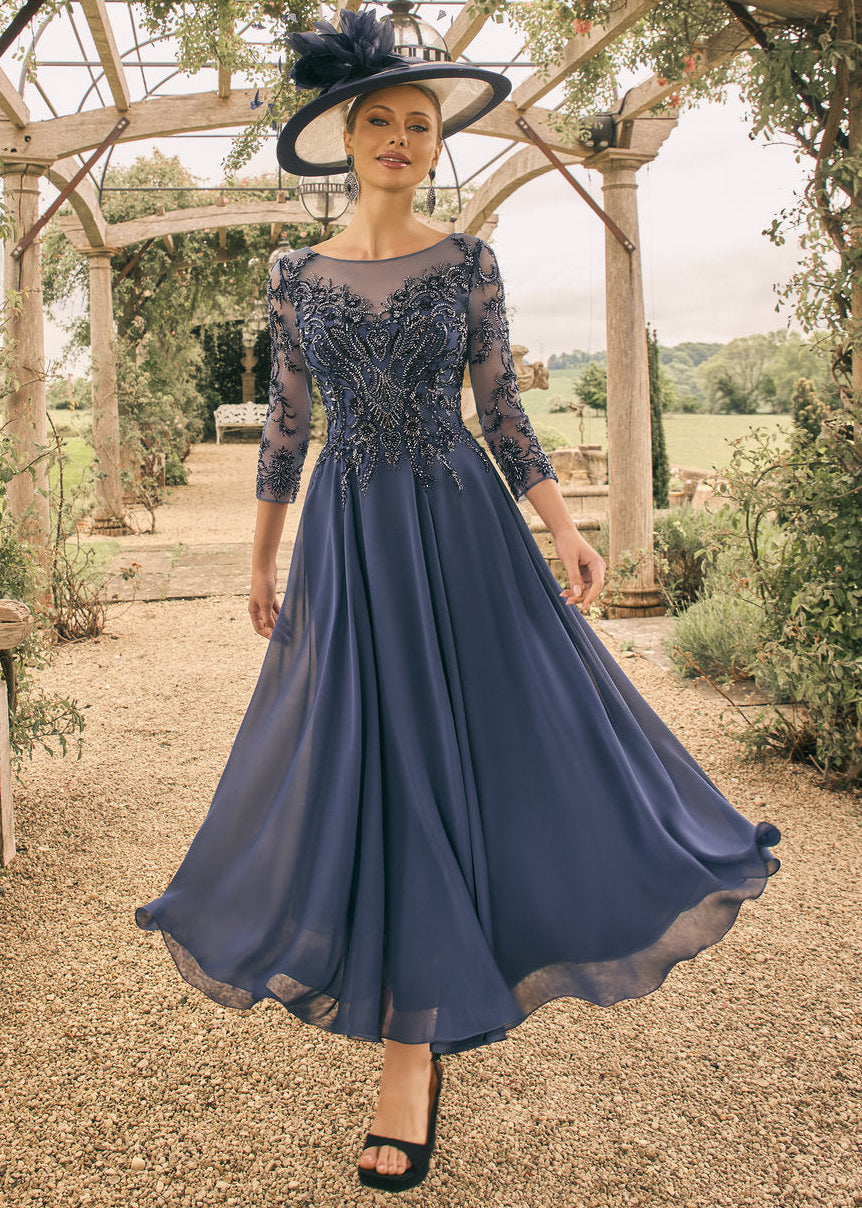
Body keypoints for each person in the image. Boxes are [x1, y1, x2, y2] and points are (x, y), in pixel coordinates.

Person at [135, 8, 781, 1195]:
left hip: (461, 527)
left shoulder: (466, 260)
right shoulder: (294, 276)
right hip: (349, 539)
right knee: (371, 759)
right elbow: (287, 428)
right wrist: (262, 557)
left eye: (416, 123)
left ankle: (420, 1028)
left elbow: (504, 414)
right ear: (341, 134)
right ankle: (414, 1028)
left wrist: (569, 531)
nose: (395, 136)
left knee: (490, 748)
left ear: (437, 144)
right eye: (376, 118)